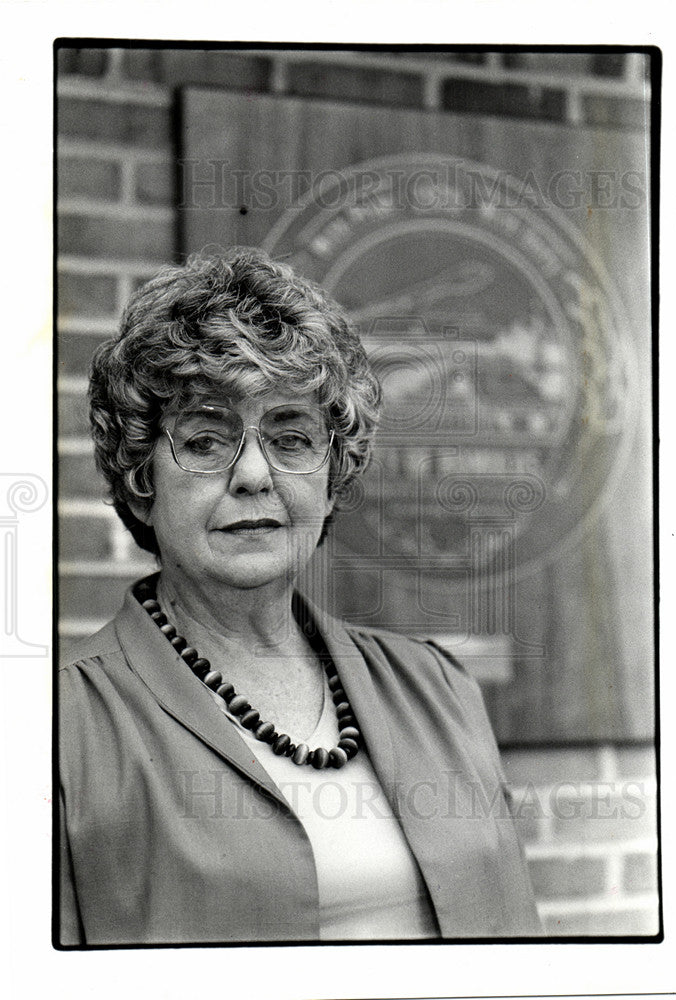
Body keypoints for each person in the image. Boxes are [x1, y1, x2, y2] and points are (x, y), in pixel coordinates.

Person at [58, 247, 541, 945]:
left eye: (289, 436)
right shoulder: (56, 730)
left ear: (331, 472)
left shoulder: (439, 687)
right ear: (142, 475)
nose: (254, 473)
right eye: (204, 440)